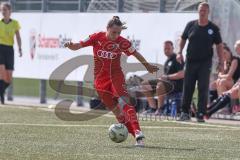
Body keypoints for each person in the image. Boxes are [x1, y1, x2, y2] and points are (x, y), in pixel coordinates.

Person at [64, 16, 159, 147]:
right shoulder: (96, 37)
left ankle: (138, 132)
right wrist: (70, 45)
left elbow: (135, 53)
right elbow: (78, 45)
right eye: (114, 32)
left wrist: (147, 65)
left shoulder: (122, 42)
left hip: (116, 76)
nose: (116, 35)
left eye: (119, 33)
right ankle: (137, 139)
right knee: (117, 113)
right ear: (107, 29)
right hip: (100, 80)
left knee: (124, 101)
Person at [177, 2, 224, 122]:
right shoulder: (190, 25)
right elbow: (182, 39)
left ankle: (200, 113)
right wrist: (179, 52)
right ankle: (184, 113)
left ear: (208, 12)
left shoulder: (213, 28)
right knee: (188, 87)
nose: (202, 13)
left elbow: (219, 45)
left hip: (205, 63)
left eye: (204, 11)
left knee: (203, 88)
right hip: (191, 61)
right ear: (198, 11)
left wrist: (221, 61)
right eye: (200, 10)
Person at [141, 41, 184, 115]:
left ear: (173, 48)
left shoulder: (177, 58)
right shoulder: (167, 61)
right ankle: (153, 108)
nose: (166, 50)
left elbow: (182, 74)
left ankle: (160, 109)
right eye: (165, 49)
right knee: (145, 84)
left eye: (168, 48)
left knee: (160, 84)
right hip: (166, 83)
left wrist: (167, 77)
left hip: (177, 85)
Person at [0, 2, 22, 104]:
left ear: (10, 11)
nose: (3, 12)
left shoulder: (15, 23)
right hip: (0, 48)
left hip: (9, 50)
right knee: (2, 73)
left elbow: (18, 36)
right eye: (2, 10)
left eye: (5, 9)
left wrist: (20, 48)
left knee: (9, 79)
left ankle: (1, 90)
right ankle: (2, 96)